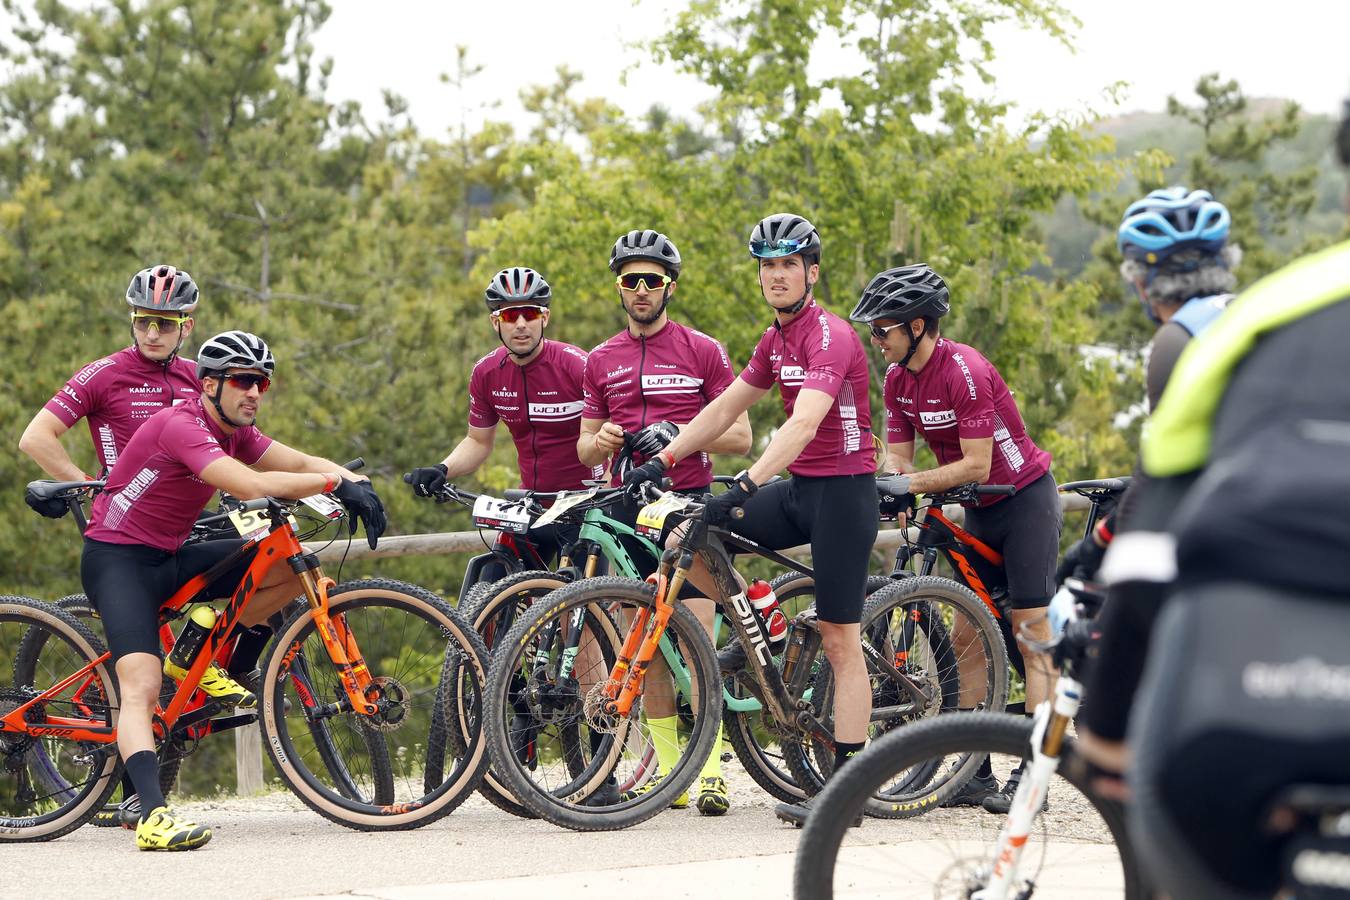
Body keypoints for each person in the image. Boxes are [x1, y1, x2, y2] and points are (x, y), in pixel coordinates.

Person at [1081, 101, 1350, 898]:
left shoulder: (1265, 319)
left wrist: (1105, 733)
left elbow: (1155, 539)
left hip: (1247, 713)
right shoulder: (1240, 310)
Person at [79, 330, 386, 850]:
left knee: (287, 564)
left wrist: (362, 484)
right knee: (141, 687)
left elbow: (298, 460)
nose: (254, 393)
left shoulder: (236, 431)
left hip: (170, 554)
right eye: (243, 381)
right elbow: (254, 486)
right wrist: (336, 486)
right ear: (210, 384)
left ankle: (204, 658)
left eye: (261, 383)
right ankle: (152, 817)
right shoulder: (181, 424)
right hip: (118, 558)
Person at [623, 213, 877, 827]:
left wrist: (745, 482)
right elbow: (725, 407)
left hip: (844, 493)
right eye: (768, 266)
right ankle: (760, 630)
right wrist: (665, 457)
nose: (777, 275)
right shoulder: (775, 339)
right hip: (800, 489)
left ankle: (847, 793)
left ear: (811, 273)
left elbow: (803, 423)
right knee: (690, 532)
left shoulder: (830, 336)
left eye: (789, 264)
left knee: (842, 641)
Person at [850, 262, 1061, 814]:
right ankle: (975, 771)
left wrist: (912, 483)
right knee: (969, 632)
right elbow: (899, 456)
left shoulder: (963, 369)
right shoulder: (897, 379)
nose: (876, 341)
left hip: (1023, 500)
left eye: (882, 330)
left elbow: (976, 462)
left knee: (1031, 632)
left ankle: (1035, 772)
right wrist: (890, 484)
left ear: (917, 326)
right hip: (976, 508)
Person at [577, 229, 752, 816]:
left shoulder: (703, 349)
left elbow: (741, 436)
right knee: (640, 647)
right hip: (628, 505)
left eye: (652, 279)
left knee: (696, 635)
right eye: (631, 280)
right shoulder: (600, 359)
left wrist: (680, 436)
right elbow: (583, 449)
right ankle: (670, 772)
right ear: (619, 287)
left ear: (669, 285)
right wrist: (596, 441)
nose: (642, 290)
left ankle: (710, 772)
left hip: (688, 500)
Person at [1059, 187, 1238, 583]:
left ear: (1143, 283)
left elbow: (1157, 474)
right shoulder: (1252, 310)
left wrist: (1095, 544)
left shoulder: (1178, 339)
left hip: (1227, 538)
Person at [405, 267, 603, 588]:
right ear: (496, 322)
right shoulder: (487, 372)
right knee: (492, 581)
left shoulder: (576, 365)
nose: (521, 324)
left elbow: (611, 429)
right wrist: (442, 468)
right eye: (511, 316)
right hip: (534, 502)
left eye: (529, 314)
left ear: (545, 318)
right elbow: (478, 441)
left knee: (574, 614)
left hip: (586, 504)